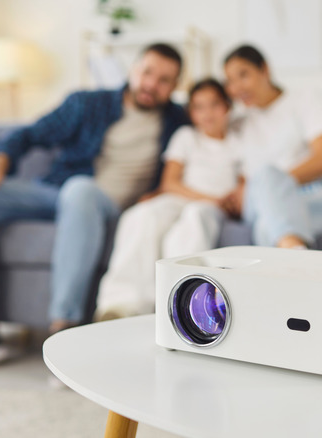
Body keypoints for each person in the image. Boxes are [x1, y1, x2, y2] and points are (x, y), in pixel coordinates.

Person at [0, 43, 188, 377]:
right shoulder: (87, 103)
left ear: (175, 87)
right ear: (133, 68)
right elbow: (30, 133)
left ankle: (63, 329)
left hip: (103, 205)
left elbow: (219, 137)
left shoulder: (178, 123)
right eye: (147, 72)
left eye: (165, 80)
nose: (152, 84)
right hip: (53, 192)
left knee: (81, 190)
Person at [95, 78, 242, 320]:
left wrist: (222, 202)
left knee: (193, 221)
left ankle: (174, 308)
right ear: (191, 113)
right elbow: (170, 182)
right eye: (199, 107)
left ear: (227, 107)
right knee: (143, 215)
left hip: (209, 208)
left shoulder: (239, 142)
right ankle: (121, 304)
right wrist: (209, 197)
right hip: (180, 196)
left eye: (214, 105)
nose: (207, 114)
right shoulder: (185, 136)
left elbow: (242, 187)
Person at [220, 44, 322, 249]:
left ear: (264, 70)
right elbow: (245, 181)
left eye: (243, 75)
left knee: (267, 221)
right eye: (230, 81)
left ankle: (292, 253)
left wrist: (274, 185)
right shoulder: (243, 124)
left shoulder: (306, 99)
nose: (237, 87)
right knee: (268, 207)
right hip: (267, 203)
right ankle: (297, 254)